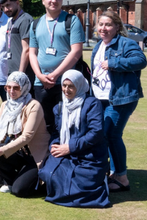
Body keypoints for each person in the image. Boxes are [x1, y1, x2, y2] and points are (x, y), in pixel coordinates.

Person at [92, 11, 147, 192]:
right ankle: (112, 172)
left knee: (112, 134)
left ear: (117, 27)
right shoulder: (98, 46)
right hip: (100, 98)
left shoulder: (126, 43)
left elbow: (140, 60)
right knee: (104, 135)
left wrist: (114, 63)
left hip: (120, 99)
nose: (103, 28)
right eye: (101, 25)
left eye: (108, 25)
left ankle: (121, 177)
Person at [38, 70, 110, 208]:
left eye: (71, 86)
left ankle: (101, 183)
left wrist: (70, 147)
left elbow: (96, 133)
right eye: (64, 85)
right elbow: (56, 133)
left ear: (80, 85)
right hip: (66, 152)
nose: (66, 90)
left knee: (82, 180)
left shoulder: (92, 104)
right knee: (48, 172)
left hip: (89, 155)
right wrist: (55, 145)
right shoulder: (59, 107)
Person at [29, 0, 84, 139]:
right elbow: (32, 53)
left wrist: (54, 75)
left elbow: (76, 51)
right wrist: (40, 76)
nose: (54, 1)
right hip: (41, 84)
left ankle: (65, 159)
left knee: (67, 124)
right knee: (44, 124)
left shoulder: (71, 21)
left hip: (65, 83)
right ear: (43, 0)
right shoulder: (35, 24)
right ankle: (47, 159)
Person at [0, 72, 49, 197]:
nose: (11, 91)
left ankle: (33, 183)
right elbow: (0, 133)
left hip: (33, 156)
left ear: (24, 87)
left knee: (19, 191)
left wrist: (2, 150)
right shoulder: (5, 105)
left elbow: (26, 137)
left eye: (16, 88)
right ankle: (9, 180)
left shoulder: (33, 106)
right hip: (17, 152)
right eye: (8, 87)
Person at [0, 0, 35, 90]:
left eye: (8, 5)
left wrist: (20, 75)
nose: (6, 9)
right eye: (3, 7)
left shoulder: (25, 19)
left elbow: (26, 49)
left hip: (24, 75)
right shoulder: (11, 21)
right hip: (13, 74)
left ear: (17, 3)